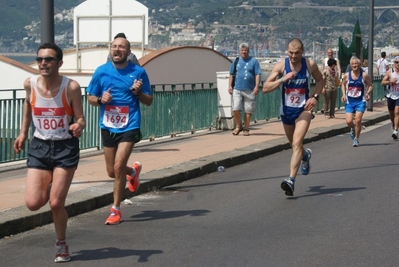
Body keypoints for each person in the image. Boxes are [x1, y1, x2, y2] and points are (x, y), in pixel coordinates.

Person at [13, 43, 86, 263]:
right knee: (33, 203)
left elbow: (81, 117)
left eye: (49, 59)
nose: (43, 63)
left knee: (55, 204)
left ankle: (61, 243)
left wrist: (78, 125)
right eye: (40, 59)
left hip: (65, 147)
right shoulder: (30, 84)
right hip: (40, 146)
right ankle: (53, 182)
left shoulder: (70, 87)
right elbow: (28, 105)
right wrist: (23, 132)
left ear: (59, 63)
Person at [86, 35, 153, 225]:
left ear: (128, 52)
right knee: (111, 171)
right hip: (108, 125)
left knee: (117, 167)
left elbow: (149, 101)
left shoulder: (139, 72)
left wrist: (138, 93)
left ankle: (115, 209)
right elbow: (90, 97)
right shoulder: (101, 72)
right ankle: (132, 172)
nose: (117, 49)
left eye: (121, 47)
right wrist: (100, 100)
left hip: (130, 124)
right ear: (110, 50)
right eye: (114, 46)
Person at [262, 38, 324, 196]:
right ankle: (305, 155)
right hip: (287, 111)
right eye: (291, 52)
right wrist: (283, 79)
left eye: (297, 53)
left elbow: (320, 80)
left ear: (302, 51)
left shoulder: (309, 65)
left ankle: (291, 180)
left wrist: (315, 97)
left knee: (297, 143)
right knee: (294, 145)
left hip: (304, 110)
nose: (294, 56)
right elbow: (265, 88)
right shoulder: (281, 66)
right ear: (286, 51)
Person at [228, 42, 262, 136]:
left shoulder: (253, 61)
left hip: (249, 90)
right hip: (237, 88)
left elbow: (257, 74)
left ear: (248, 51)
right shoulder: (236, 61)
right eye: (242, 50)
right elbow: (231, 74)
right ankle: (239, 126)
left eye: (245, 50)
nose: (244, 52)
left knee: (248, 110)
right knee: (235, 108)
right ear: (240, 51)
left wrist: (256, 86)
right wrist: (230, 86)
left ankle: (246, 128)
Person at [341, 56, 373, 147]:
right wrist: (343, 95)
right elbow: (343, 85)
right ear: (350, 65)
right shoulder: (347, 75)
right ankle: (352, 128)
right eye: (353, 64)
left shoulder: (364, 75)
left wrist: (368, 93)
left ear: (359, 64)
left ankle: (356, 139)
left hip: (360, 101)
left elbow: (371, 85)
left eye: (356, 64)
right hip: (349, 102)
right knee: (349, 121)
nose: (355, 65)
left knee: (358, 120)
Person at [381, 55, 399, 139]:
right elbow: (382, 83)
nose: (398, 64)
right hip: (391, 95)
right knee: (391, 114)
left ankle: (395, 131)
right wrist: (389, 81)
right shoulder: (390, 72)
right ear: (394, 63)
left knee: (397, 112)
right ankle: (393, 124)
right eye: (396, 62)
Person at [321, 48, 341, 114]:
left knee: (333, 100)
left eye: (331, 52)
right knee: (326, 100)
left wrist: (339, 78)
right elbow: (322, 69)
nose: (330, 54)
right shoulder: (324, 60)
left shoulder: (336, 60)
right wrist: (322, 87)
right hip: (327, 84)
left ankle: (332, 113)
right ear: (327, 53)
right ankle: (326, 112)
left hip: (334, 83)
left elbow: (339, 69)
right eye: (329, 52)